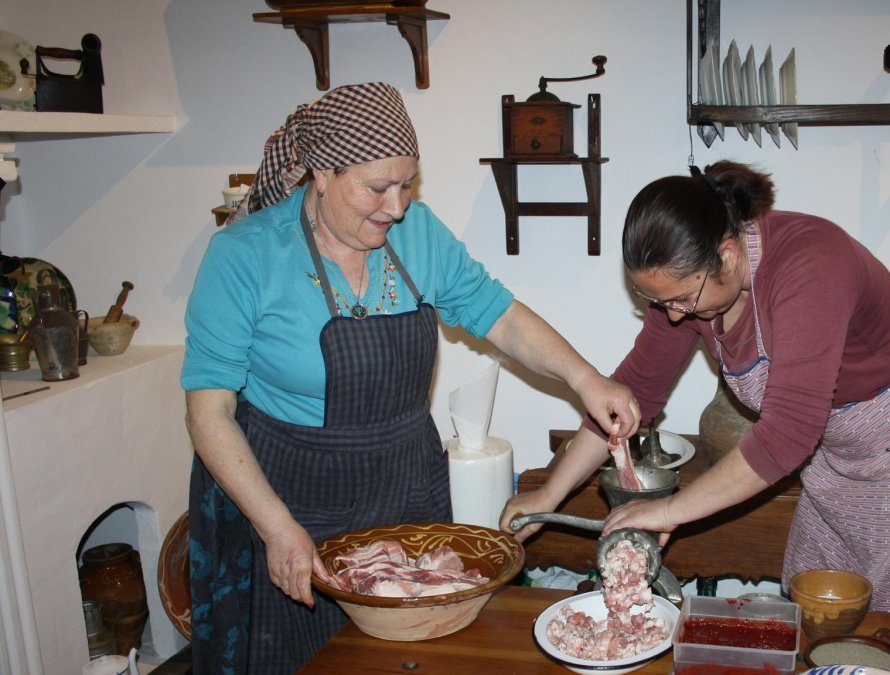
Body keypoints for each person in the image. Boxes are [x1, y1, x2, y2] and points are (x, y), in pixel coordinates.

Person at [181, 82, 639, 675]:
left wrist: (586, 379)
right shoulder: (244, 256)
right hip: (292, 494)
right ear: (321, 172)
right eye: (376, 188)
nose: (396, 207)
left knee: (413, 658)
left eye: (406, 184)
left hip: (407, 488)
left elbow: (498, 315)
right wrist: (276, 527)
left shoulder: (417, 234)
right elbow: (208, 413)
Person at [501, 160, 890, 675]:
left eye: (680, 300)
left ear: (728, 255)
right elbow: (630, 395)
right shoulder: (686, 286)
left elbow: (787, 432)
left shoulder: (811, 265)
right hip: (840, 446)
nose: (671, 316)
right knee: (819, 611)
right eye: (655, 300)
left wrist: (670, 512)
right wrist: (547, 496)